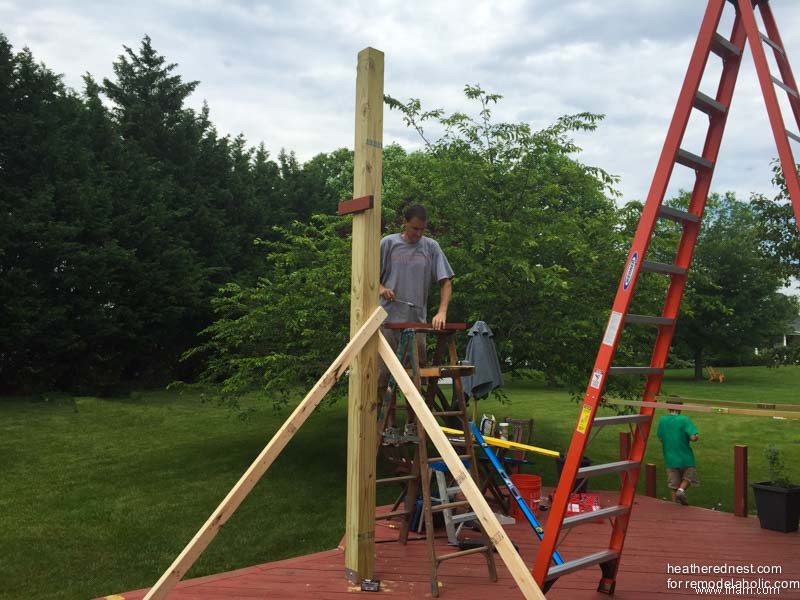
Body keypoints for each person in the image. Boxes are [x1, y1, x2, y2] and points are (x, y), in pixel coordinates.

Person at [377, 204, 454, 395]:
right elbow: (370, 279)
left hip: (416, 323)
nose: (418, 233)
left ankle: (414, 424)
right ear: (404, 222)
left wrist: (442, 311)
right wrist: (382, 289)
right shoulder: (388, 244)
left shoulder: (431, 247)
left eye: (422, 229)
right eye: (414, 228)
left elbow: (446, 282)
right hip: (387, 321)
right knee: (384, 375)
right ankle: (388, 424)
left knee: (417, 377)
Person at [656, 404, 700, 505]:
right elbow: (693, 437)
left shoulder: (662, 420)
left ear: (668, 407)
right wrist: (695, 436)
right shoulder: (684, 419)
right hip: (685, 457)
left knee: (673, 484)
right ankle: (681, 490)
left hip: (670, 457)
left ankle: (675, 505)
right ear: (680, 407)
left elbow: (660, 438)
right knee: (689, 475)